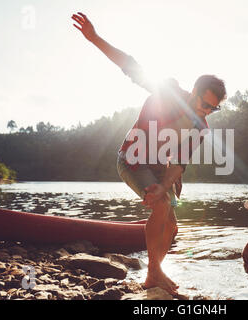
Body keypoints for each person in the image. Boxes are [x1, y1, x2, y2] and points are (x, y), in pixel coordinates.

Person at [72, 12, 226, 294]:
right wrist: (95, 38)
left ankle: (154, 272)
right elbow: (131, 66)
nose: (206, 112)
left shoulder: (200, 127)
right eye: (205, 104)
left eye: (212, 109)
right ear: (194, 91)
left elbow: (179, 163)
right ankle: (154, 273)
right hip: (131, 159)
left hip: (158, 167)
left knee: (172, 227)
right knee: (162, 206)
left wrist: (167, 182)